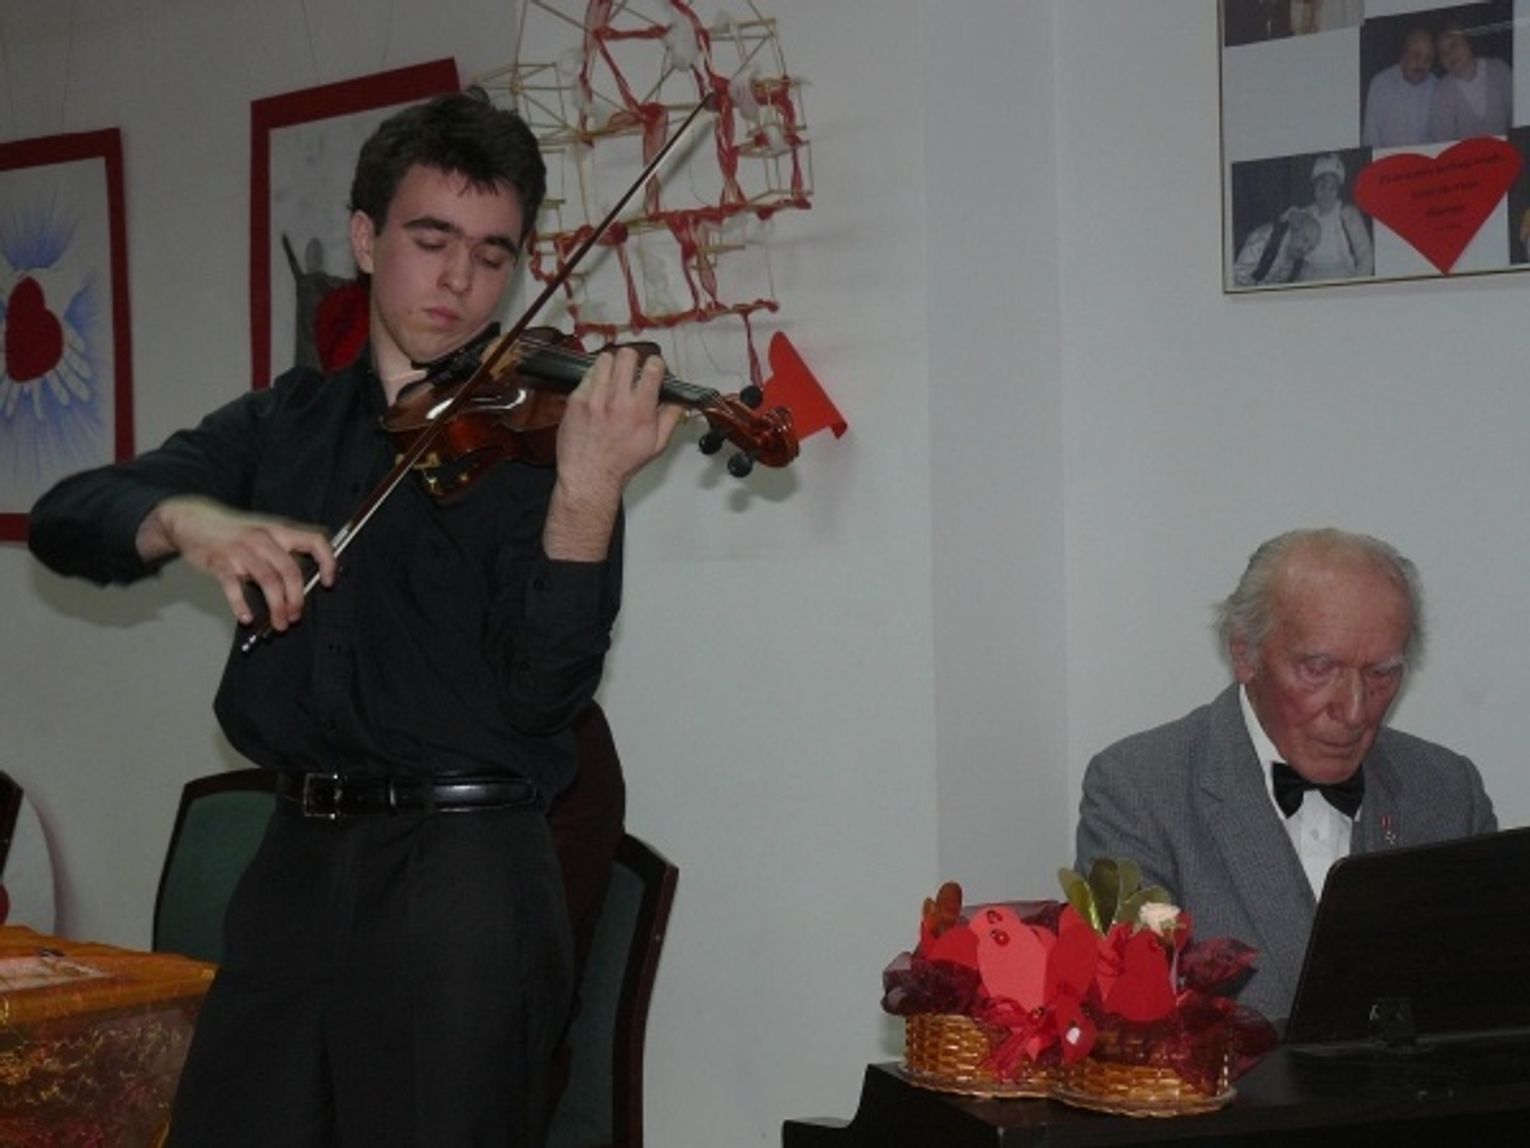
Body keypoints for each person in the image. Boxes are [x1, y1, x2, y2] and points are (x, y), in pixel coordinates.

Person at [28, 87, 683, 1146]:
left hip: (465, 879)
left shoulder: (545, 449)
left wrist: (589, 491)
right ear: (367, 238)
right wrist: (191, 520)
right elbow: (69, 518)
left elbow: (544, 696)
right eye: (432, 240)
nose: (460, 279)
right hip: (295, 860)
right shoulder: (284, 423)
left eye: (492, 254)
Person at [1074, 528, 1497, 1020]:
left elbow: (1490, 1007)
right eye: (1319, 668)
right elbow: (1135, 1026)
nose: (1354, 710)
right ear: (1244, 654)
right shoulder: (1137, 790)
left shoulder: (1449, 790)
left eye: (1381, 674)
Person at [1294, 154, 1373, 282]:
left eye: (1332, 188)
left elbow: (1366, 256)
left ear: (1338, 190)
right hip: (1307, 277)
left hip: (1341, 276)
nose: (1326, 193)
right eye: (1321, 186)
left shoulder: (1347, 214)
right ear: (1314, 187)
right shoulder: (1305, 213)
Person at [1428, 24, 1513, 142]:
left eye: (1453, 44)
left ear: (1468, 42)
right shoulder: (1441, 93)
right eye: (1443, 53)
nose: (1449, 54)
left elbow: (1516, 118)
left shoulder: (1499, 69)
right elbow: (1442, 141)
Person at [1362, 27, 1438, 148]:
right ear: (1403, 55)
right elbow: (1371, 137)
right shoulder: (1380, 83)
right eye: (1416, 55)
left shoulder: (1437, 87)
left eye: (1428, 59)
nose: (1421, 64)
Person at [1232, 207, 1322, 286]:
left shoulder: (1297, 261)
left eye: (1310, 248)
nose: (1305, 249)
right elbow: (1238, 276)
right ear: (1295, 229)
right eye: (1305, 240)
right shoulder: (1265, 239)